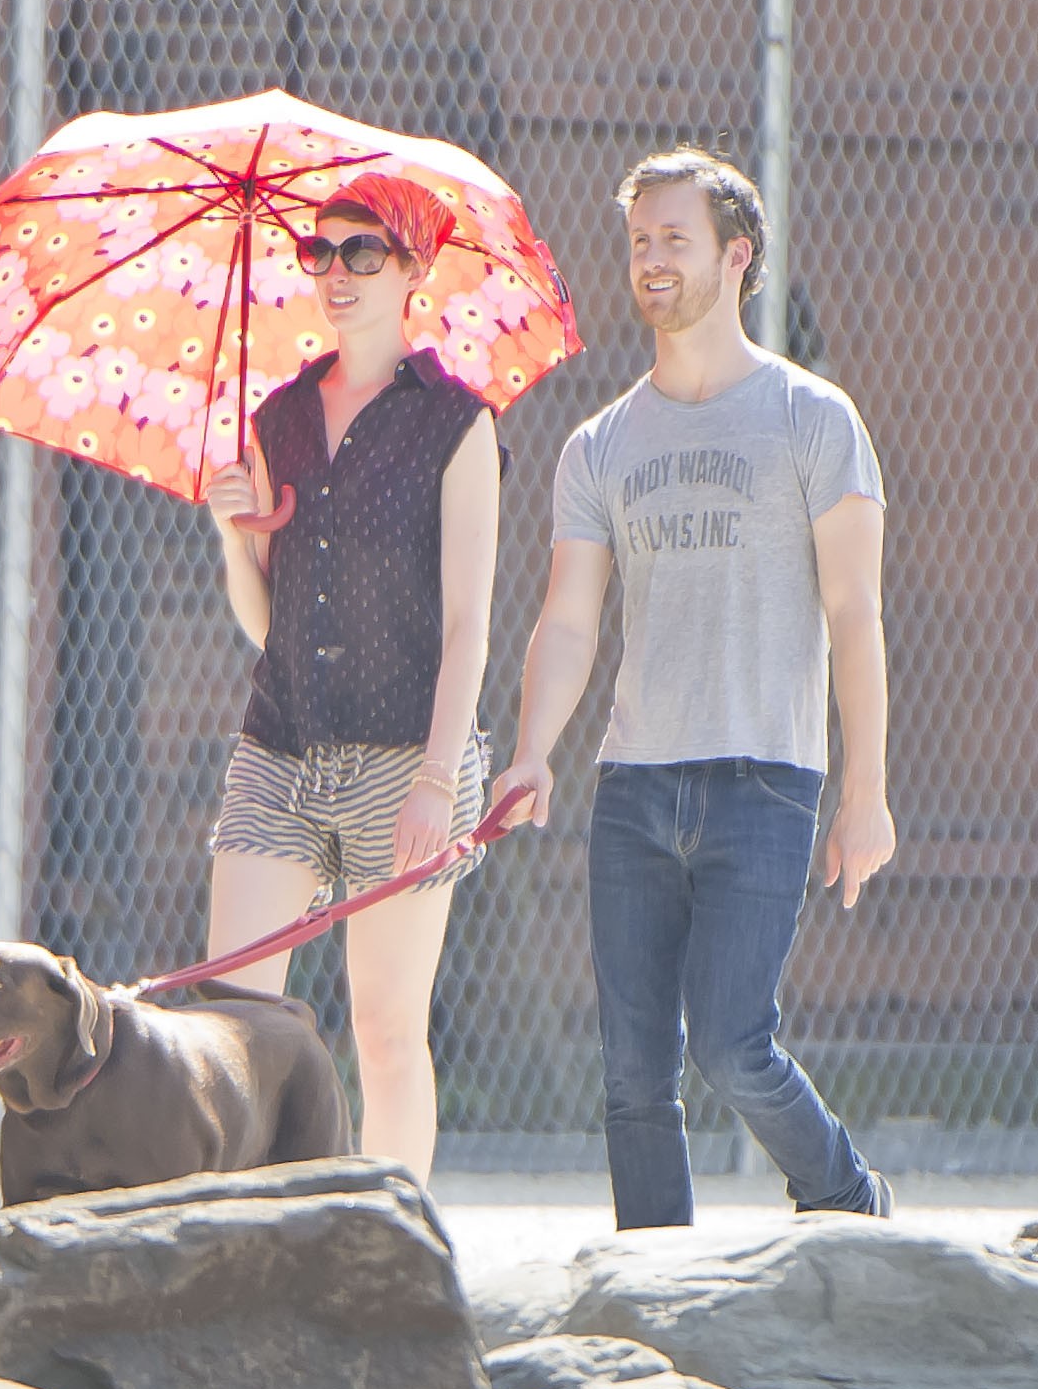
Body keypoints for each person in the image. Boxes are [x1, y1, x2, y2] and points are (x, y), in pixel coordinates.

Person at [494, 147, 896, 1229]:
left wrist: (867, 793)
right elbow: (569, 619)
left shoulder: (814, 418)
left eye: (674, 239)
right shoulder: (599, 442)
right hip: (632, 787)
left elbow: (855, 615)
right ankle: (657, 1299)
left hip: (765, 780)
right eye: (638, 241)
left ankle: (846, 1198)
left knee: (729, 1040)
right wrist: (532, 751)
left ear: (736, 255)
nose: (651, 260)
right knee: (633, 1074)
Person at [202, 174, 502, 1186]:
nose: (335, 272)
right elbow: (264, 624)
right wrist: (231, 536)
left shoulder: (456, 426)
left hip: (404, 758)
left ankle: (394, 1241)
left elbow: (469, 627)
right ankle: (234, 1247)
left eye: (362, 252)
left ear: (412, 270)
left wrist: (436, 779)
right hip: (280, 747)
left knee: (382, 1025)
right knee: (236, 1022)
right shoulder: (279, 416)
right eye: (320, 252)